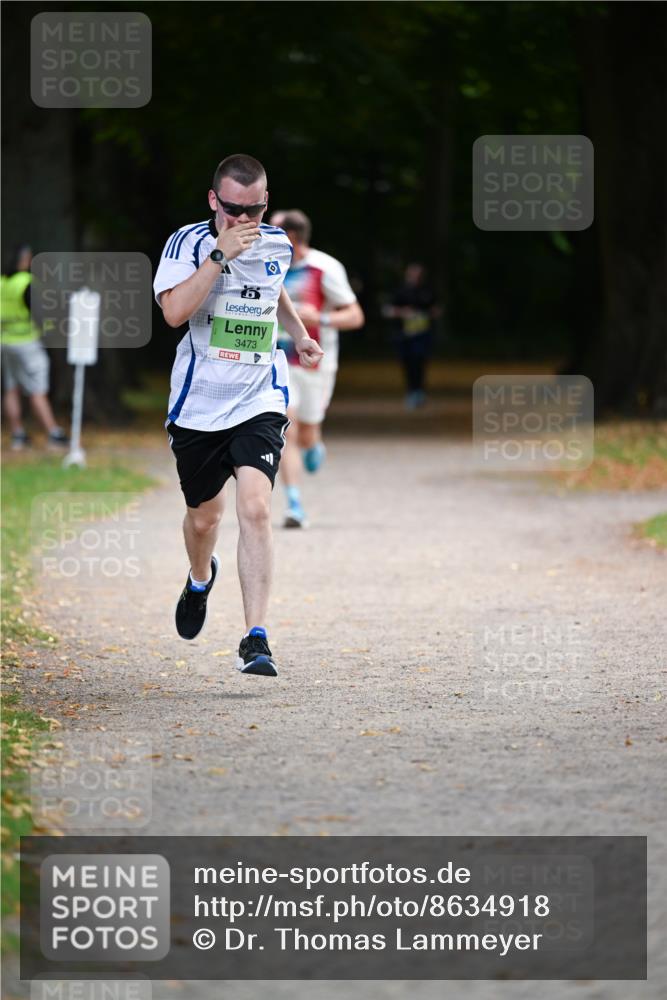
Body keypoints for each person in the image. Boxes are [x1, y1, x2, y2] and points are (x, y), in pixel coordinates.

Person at [153, 155, 323, 677]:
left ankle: (256, 637)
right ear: (213, 201)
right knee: (206, 518)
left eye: (255, 209)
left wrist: (298, 335)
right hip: (199, 403)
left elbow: (272, 295)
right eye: (233, 210)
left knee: (254, 509)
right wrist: (218, 258)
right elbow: (174, 312)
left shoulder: (276, 242)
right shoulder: (186, 244)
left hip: (258, 397)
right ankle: (201, 577)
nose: (245, 221)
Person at [269, 210, 364, 528]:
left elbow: (355, 316)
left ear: (292, 238)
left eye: (273, 228)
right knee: (287, 429)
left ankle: (315, 445)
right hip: (277, 362)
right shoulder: (266, 264)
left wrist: (318, 319)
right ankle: (294, 503)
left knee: (307, 433)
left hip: (315, 365)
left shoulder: (325, 268)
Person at [1, 245, 69, 450]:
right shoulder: (26, 283)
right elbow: (40, 313)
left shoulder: (3, 283)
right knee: (37, 389)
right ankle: (53, 433)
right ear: (25, 260)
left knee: (11, 388)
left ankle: (17, 435)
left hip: (5, 341)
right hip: (27, 342)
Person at [385, 263, 439, 409]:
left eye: (418, 274)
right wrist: (403, 313)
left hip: (422, 335)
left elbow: (436, 309)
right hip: (404, 335)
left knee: (420, 362)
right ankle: (411, 391)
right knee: (407, 363)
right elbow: (388, 310)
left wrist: (427, 314)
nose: (415, 277)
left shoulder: (427, 291)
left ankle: (419, 391)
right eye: (413, 274)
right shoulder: (400, 292)